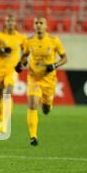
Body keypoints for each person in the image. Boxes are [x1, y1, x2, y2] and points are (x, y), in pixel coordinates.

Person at [15, 16, 68, 146]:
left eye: (41, 23)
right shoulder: (29, 41)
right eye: (36, 23)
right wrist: (19, 64)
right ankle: (33, 136)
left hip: (49, 80)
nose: (38, 25)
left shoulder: (54, 40)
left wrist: (55, 65)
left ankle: (48, 104)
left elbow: (64, 58)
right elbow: (25, 55)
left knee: (45, 109)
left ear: (46, 26)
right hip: (34, 78)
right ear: (34, 25)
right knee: (33, 104)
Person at [0, 14, 26, 135]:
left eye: (12, 21)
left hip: (12, 70)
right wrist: (1, 50)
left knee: (8, 92)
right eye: (8, 21)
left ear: (15, 23)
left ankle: (5, 122)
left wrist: (22, 64)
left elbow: (26, 53)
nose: (10, 23)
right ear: (5, 22)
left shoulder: (21, 38)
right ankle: (1, 119)